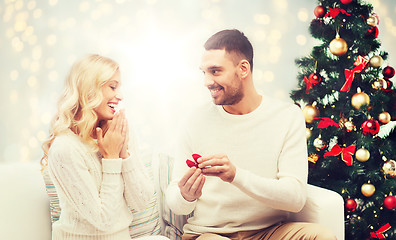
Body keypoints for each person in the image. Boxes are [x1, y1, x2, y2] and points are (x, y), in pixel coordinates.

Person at [166, 29, 336, 240]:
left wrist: (236, 176)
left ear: (243, 68)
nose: (207, 81)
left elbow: (295, 198)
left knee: (323, 236)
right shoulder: (195, 120)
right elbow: (174, 201)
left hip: (270, 231)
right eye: (204, 72)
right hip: (211, 234)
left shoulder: (287, 116)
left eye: (215, 71)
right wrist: (185, 196)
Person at [41, 54, 168, 240]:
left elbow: (141, 202)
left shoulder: (118, 130)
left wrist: (124, 153)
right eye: (113, 86)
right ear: (89, 90)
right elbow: (103, 221)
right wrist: (111, 158)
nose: (120, 96)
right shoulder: (65, 148)